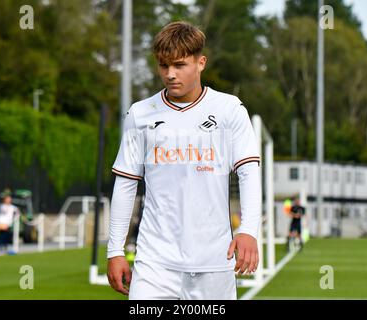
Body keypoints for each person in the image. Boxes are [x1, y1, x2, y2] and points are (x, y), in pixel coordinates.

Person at [107, 21, 261, 300]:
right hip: (154, 262)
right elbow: (125, 184)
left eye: (179, 65)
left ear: (201, 63)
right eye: (163, 66)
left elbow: (249, 173)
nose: (170, 74)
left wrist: (248, 230)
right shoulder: (140, 113)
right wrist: (115, 250)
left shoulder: (229, 110)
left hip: (214, 260)